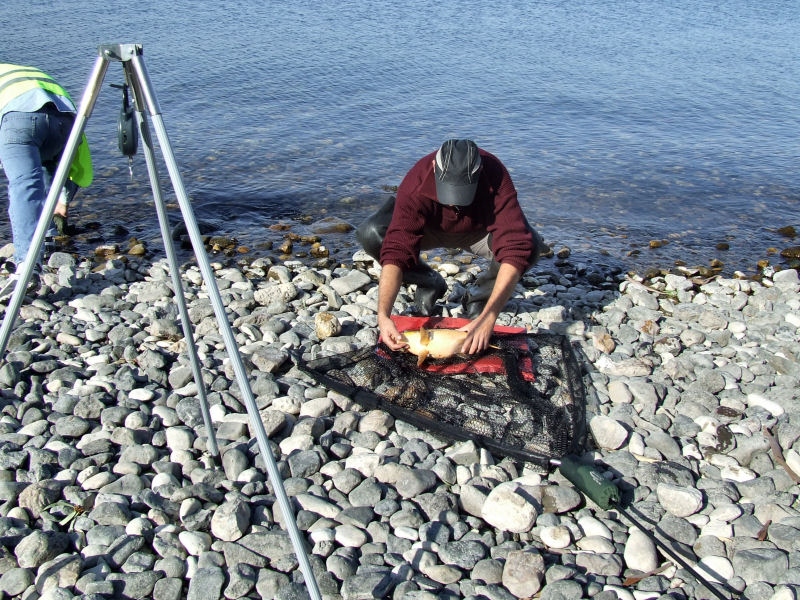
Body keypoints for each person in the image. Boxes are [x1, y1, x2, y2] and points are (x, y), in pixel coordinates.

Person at [357, 138, 543, 356]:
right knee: (371, 233)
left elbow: (515, 245)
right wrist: (383, 315)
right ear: (435, 167)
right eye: (449, 192)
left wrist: (490, 317)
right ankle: (429, 282)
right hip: (429, 230)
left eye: (463, 192)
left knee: (529, 246)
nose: (455, 203)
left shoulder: (496, 174)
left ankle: (479, 302)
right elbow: (397, 249)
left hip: (480, 233)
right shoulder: (416, 180)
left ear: (479, 171)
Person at [0, 63, 92, 298]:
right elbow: (72, 159)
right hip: (66, 120)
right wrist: (63, 196)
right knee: (47, 167)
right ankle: (50, 234)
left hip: (19, 117)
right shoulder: (17, 71)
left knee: (24, 185)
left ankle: (27, 265)